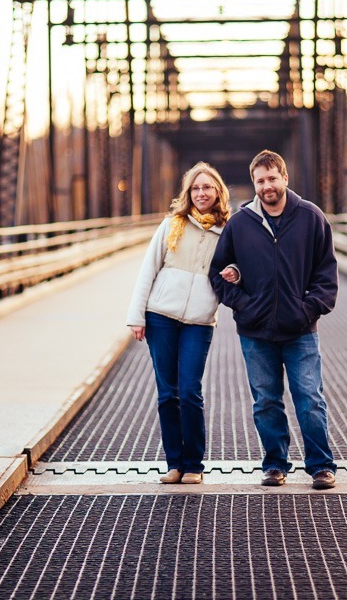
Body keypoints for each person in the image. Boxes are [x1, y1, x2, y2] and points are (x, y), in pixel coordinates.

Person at [209, 149, 338, 490]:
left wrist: (308, 308)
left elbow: (327, 274)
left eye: (272, 178)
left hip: (300, 331)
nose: (267, 186)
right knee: (265, 402)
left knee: (309, 398)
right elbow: (218, 273)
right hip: (256, 331)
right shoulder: (240, 223)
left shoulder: (311, 217)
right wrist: (244, 306)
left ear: (285, 178)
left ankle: (321, 467)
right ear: (254, 183)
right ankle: (275, 465)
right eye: (260, 180)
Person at [127, 162, 231, 485]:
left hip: (199, 321)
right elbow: (148, 269)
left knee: (189, 391)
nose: (201, 193)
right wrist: (136, 315)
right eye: (196, 188)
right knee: (166, 393)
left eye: (207, 188)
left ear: (218, 193)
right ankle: (174, 463)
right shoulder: (172, 224)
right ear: (189, 193)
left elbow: (238, 268)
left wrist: (235, 274)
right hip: (161, 316)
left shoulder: (228, 231)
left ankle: (194, 464)